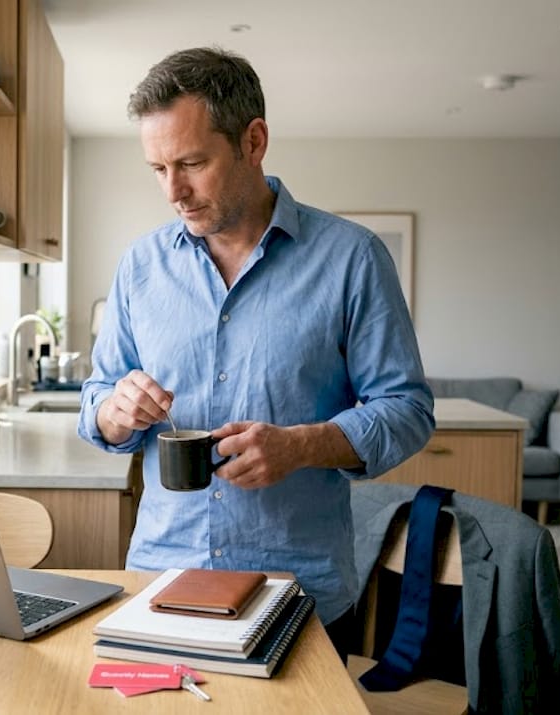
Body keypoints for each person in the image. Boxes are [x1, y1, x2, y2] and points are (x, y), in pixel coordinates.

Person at [77, 47, 434, 656]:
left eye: (191, 162)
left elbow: (407, 410)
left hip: (299, 592)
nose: (175, 191)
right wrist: (114, 409)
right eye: (158, 169)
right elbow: (97, 404)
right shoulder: (141, 265)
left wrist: (302, 446)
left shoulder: (352, 258)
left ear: (254, 140)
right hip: (161, 579)